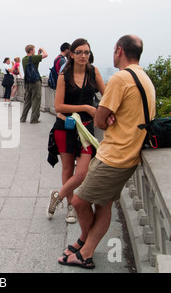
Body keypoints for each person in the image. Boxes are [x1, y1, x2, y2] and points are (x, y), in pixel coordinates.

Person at [58, 35, 155, 269]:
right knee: (103, 205)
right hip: (126, 151)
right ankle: (85, 245)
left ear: (118, 51)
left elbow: (100, 120)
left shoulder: (121, 78)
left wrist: (102, 114)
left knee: (80, 201)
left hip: (116, 155)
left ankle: (85, 250)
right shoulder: (143, 76)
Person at [47, 38, 105, 224]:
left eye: (86, 52)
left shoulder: (93, 72)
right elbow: (58, 106)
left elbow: (107, 95)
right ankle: (71, 206)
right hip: (66, 126)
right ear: (71, 54)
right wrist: (86, 108)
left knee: (82, 172)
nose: (83, 56)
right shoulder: (65, 75)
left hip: (86, 129)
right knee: (67, 168)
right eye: (79, 52)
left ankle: (58, 196)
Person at [20, 44, 48, 123]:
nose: (35, 51)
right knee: (36, 99)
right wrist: (42, 48)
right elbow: (46, 55)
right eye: (34, 50)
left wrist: (38, 54)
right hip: (35, 82)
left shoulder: (24, 59)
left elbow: (34, 60)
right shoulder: (33, 58)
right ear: (31, 50)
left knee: (27, 100)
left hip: (27, 82)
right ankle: (34, 119)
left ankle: (23, 118)